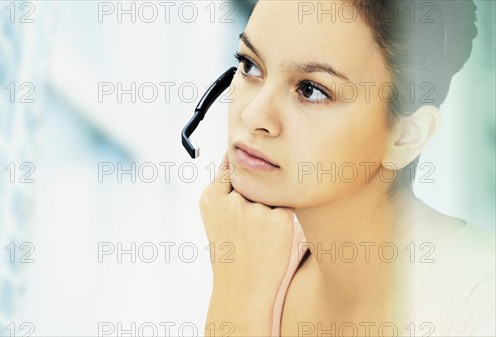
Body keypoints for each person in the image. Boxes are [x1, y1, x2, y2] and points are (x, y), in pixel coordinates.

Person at [199, 1, 495, 336]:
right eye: (250, 66)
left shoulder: (480, 301)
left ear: (404, 137)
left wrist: (239, 300)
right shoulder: (255, 249)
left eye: (311, 90)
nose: (254, 115)